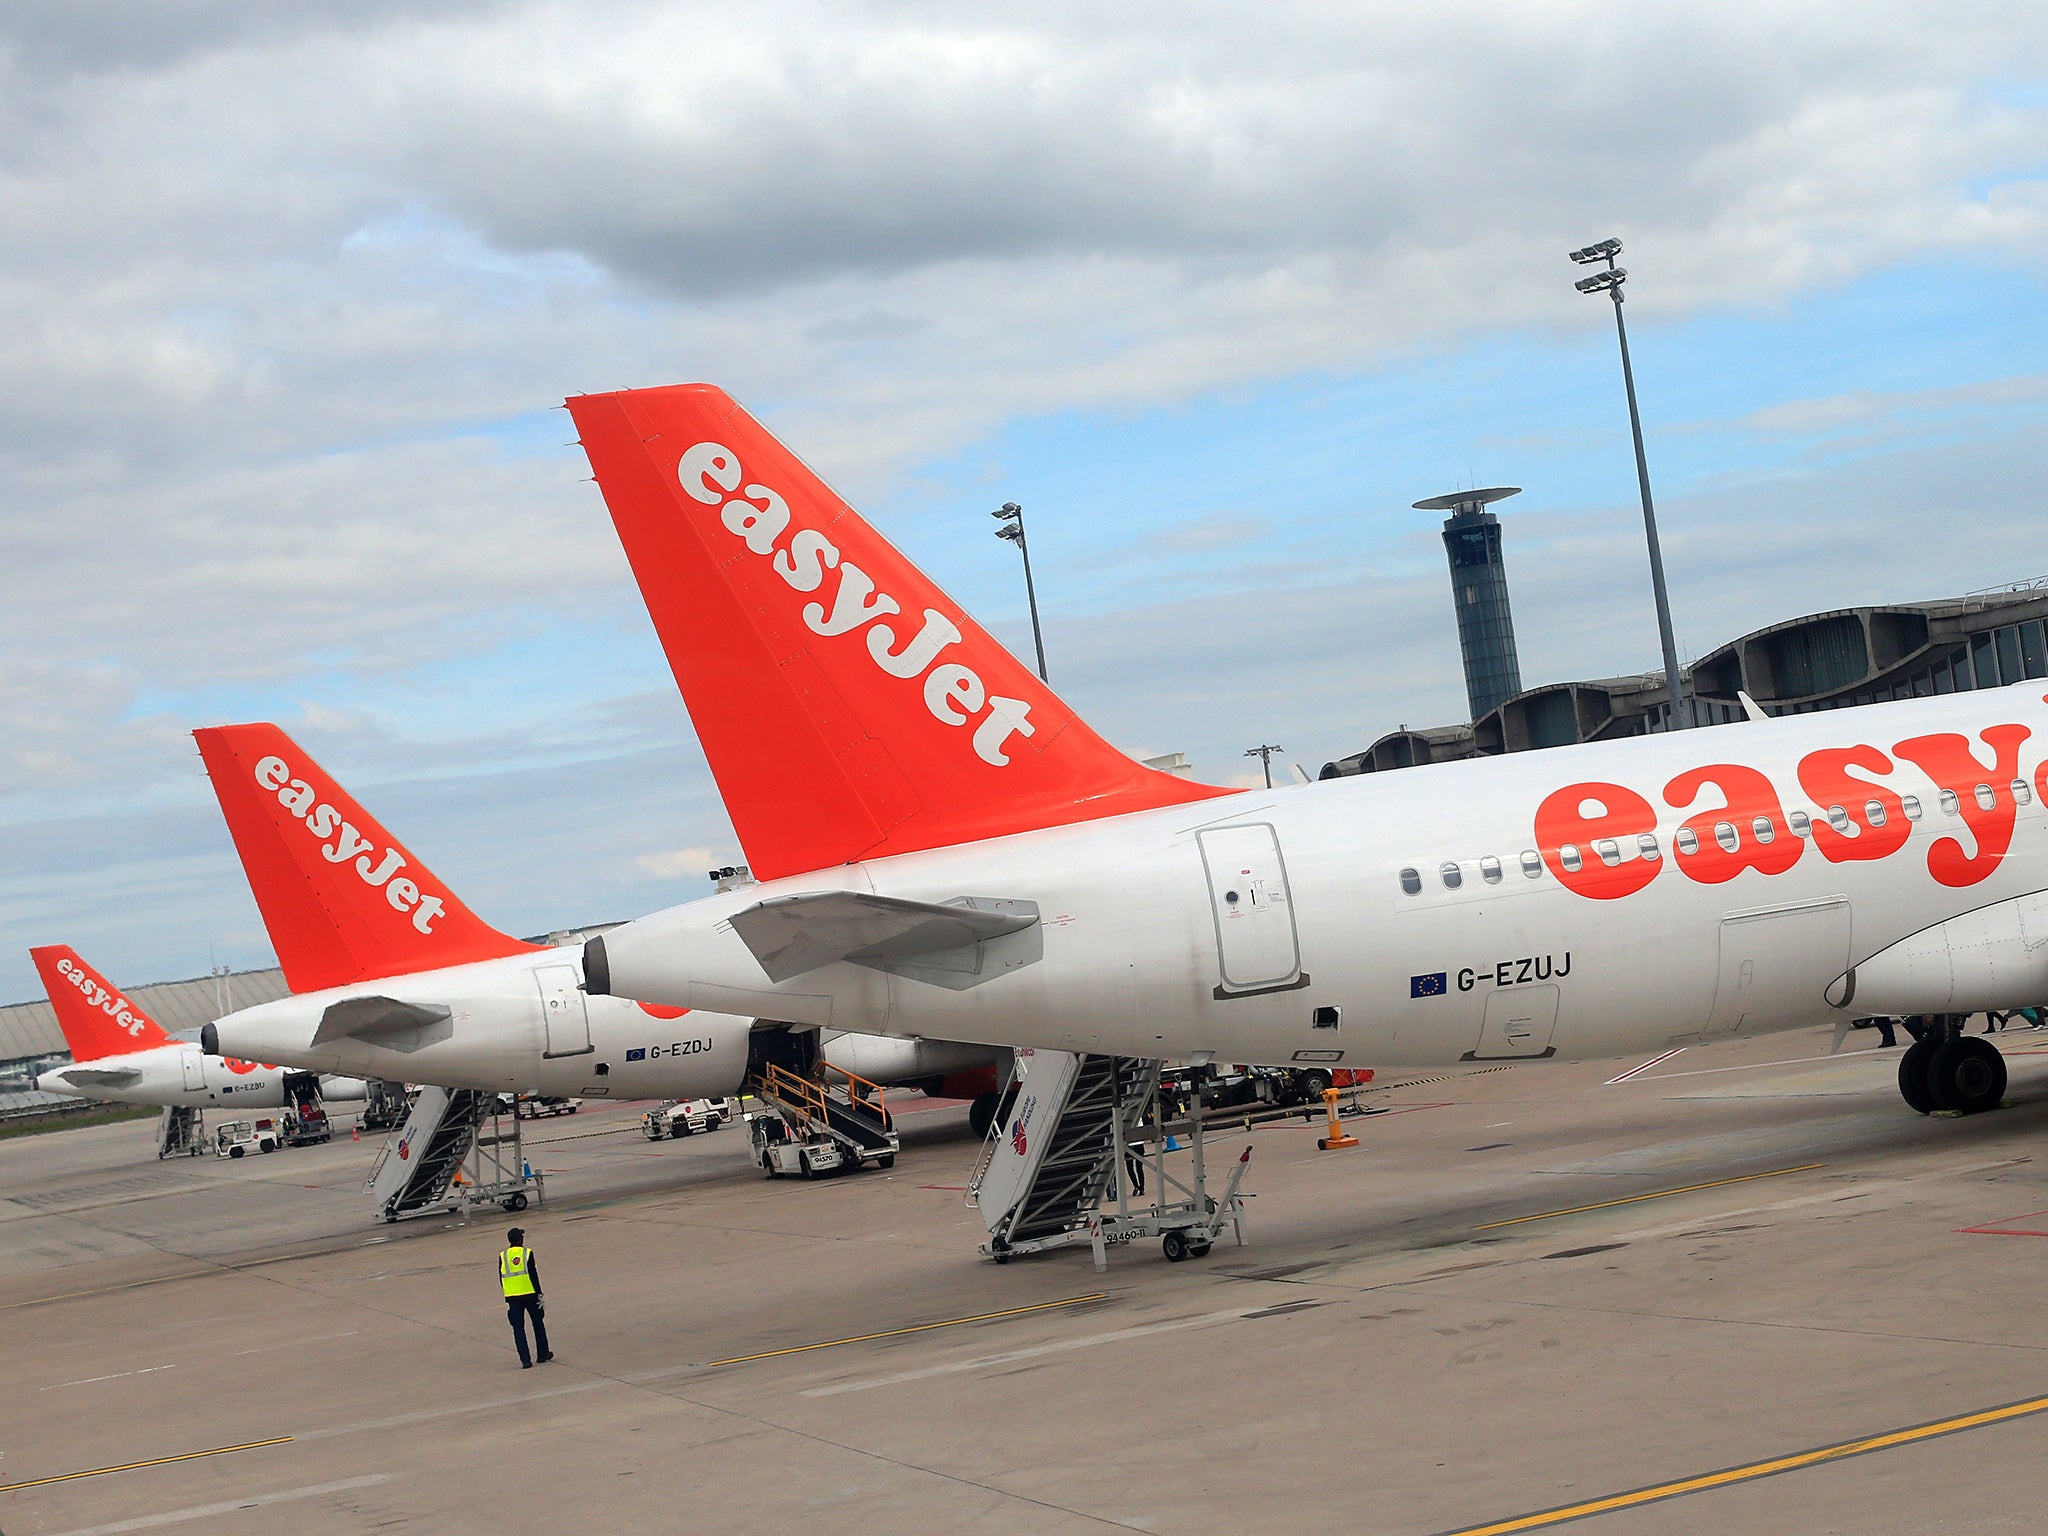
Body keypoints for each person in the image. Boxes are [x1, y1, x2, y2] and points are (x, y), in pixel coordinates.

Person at [499, 1227, 553, 1369]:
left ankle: (525, 1360)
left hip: (512, 1297)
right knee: (538, 1323)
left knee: (518, 1328)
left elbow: (501, 1277)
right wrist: (539, 1293)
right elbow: (533, 1274)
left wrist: (507, 1293)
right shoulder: (526, 1253)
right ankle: (542, 1354)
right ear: (520, 1239)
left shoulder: (503, 1256)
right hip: (529, 1294)